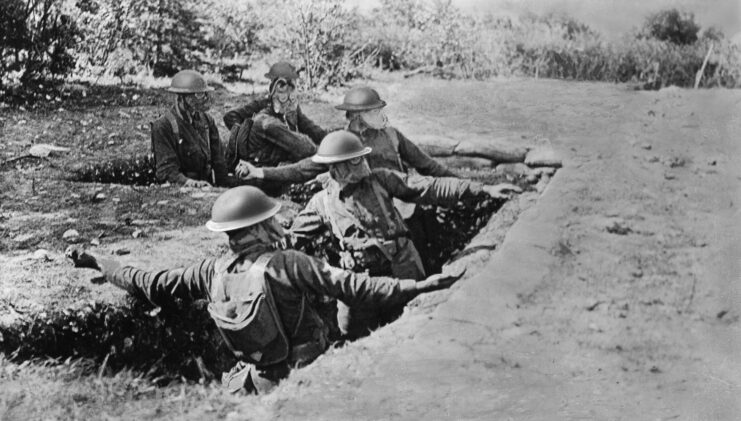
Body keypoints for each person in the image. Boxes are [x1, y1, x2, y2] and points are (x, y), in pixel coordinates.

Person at [65, 186, 464, 394]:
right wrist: (419, 285)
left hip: (257, 383)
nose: (280, 226)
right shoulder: (288, 264)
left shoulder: (210, 271)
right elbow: (355, 286)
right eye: (272, 220)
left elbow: (149, 284)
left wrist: (100, 261)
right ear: (257, 229)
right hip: (309, 376)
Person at [288, 130, 511, 338]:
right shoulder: (321, 203)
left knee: (415, 327)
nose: (363, 164)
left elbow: (427, 188)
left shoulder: (381, 179)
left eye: (361, 158)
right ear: (336, 168)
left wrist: (481, 189)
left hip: (402, 267)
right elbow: (292, 238)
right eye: (355, 160)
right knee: (352, 335)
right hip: (361, 283)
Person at [222, 61, 328, 172]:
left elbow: (310, 128)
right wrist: (243, 135)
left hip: (284, 150)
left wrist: (330, 140)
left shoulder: (292, 107)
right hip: (260, 162)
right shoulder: (263, 110)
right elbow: (230, 116)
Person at [150, 70, 230, 187]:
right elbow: (166, 170)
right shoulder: (163, 126)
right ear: (181, 98)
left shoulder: (207, 121)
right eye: (198, 95)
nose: (203, 99)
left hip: (208, 186)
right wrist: (191, 183)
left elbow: (219, 163)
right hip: (182, 188)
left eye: (204, 94)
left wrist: (224, 187)